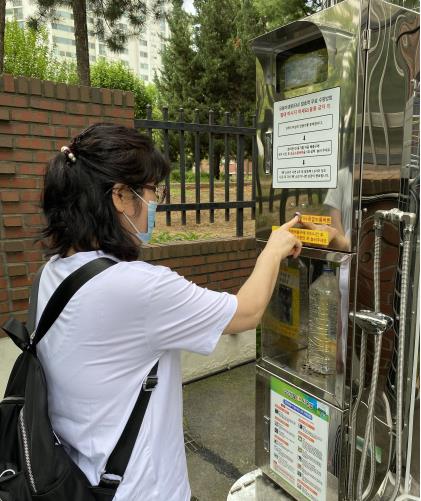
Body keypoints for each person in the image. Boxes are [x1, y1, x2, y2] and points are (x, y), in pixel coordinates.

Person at [37, 123, 302, 501]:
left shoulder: (52, 274)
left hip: (76, 478)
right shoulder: (138, 287)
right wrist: (273, 249)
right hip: (142, 489)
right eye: (151, 191)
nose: (156, 203)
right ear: (119, 196)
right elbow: (245, 314)